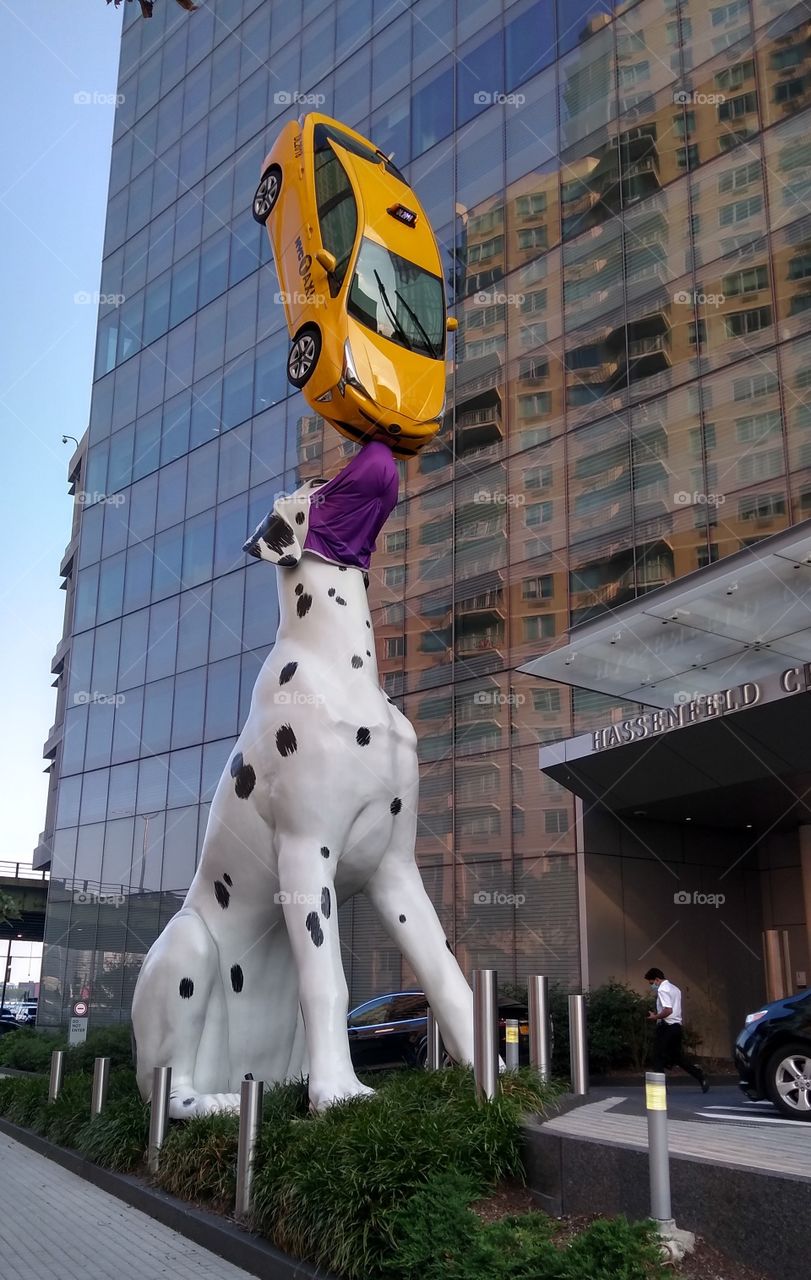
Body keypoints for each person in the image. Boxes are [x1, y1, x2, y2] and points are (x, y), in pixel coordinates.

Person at [644, 967, 709, 1092]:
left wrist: (655, 1017)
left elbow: (668, 1010)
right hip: (676, 1027)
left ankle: (660, 1087)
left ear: (657, 980)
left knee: (656, 1056)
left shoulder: (662, 989)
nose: (652, 986)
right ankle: (700, 1076)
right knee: (677, 1057)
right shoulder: (675, 989)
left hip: (666, 1026)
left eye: (652, 983)